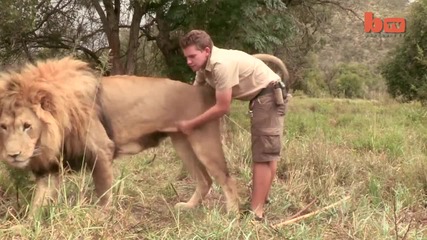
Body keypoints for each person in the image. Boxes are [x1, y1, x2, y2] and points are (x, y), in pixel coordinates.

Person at [176, 29, 287, 221]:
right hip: (260, 97)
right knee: (266, 154)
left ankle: (256, 212)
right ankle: (261, 199)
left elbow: (223, 107)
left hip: (268, 95)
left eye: (192, 56)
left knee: (263, 156)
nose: (188, 61)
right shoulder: (203, 68)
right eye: (186, 57)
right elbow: (197, 94)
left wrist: (191, 123)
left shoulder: (220, 65)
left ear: (207, 51)